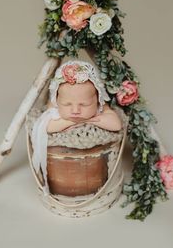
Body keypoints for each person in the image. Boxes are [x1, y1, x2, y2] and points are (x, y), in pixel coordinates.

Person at [31, 60, 123, 194]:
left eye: (84, 105)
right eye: (67, 104)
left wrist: (94, 119)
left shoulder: (100, 108)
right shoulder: (54, 108)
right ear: (57, 101)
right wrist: (71, 122)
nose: (75, 110)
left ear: (97, 100)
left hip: (94, 171)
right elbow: (45, 127)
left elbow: (117, 124)